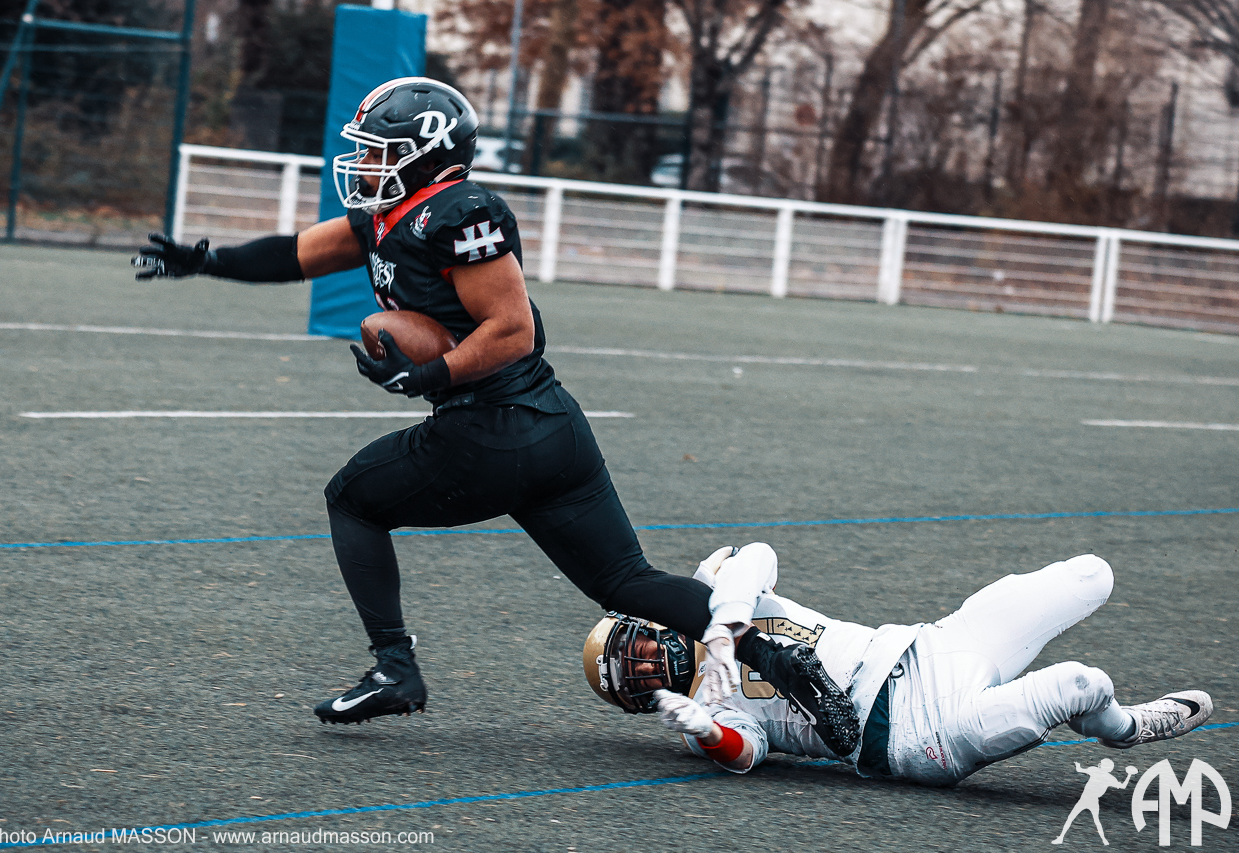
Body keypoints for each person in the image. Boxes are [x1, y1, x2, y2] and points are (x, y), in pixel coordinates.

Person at [132, 77, 820, 725]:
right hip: (552, 428)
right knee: (624, 580)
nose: (365, 163)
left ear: (426, 155)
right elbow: (296, 254)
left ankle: (395, 667)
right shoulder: (387, 216)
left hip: (490, 428)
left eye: (379, 151)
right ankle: (782, 664)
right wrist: (208, 260)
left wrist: (431, 375)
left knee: (352, 499)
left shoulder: (459, 212)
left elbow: (514, 331)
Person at [584, 543, 1213, 785]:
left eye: (638, 651)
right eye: (635, 681)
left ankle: (1106, 716)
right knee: (1083, 682)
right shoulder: (705, 710)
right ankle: (1126, 726)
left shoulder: (715, 592)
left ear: (650, 623)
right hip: (916, 734)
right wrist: (704, 729)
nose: (650, 668)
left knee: (1092, 575)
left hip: (930, 646)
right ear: (639, 703)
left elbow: (758, 556)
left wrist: (726, 623)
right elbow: (744, 753)